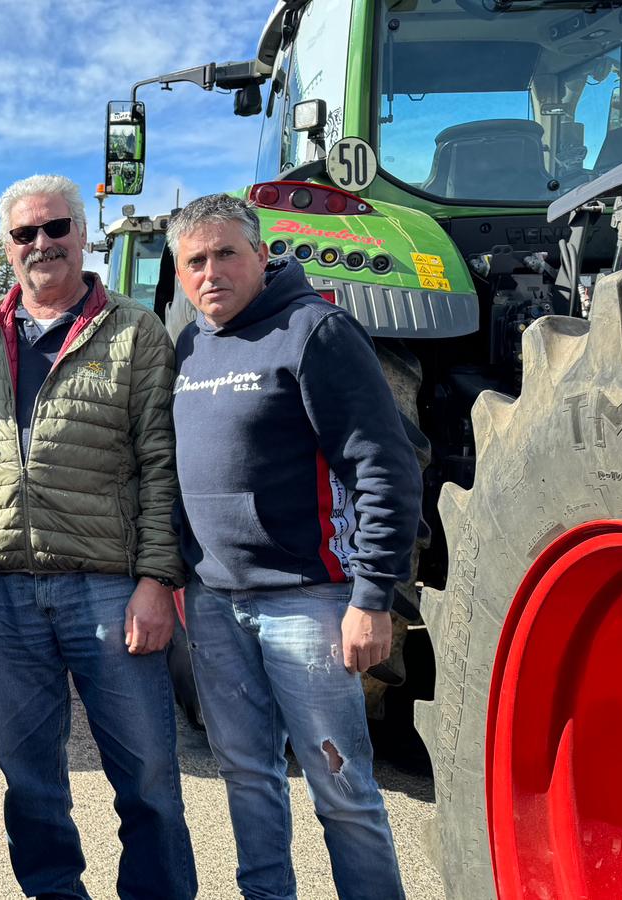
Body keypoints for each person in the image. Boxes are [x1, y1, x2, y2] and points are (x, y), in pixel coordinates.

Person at [0, 174, 196, 900]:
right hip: (4, 589)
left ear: (83, 236)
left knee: (147, 773)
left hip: (108, 585)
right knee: (29, 777)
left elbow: (161, 462)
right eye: (25, 233)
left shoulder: (134, 331)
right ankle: (54, 891)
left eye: (56, 228)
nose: (42, 244)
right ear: (7, 247)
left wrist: (157, 580)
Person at [167, 192, 419, 900]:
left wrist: (373, 597)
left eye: (226, 253)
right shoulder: (190, 346)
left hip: (308, 602)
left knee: (341, 787)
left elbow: (382, 466)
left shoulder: (315, 331)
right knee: (247, 776)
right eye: (195, 261)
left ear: (261, 253)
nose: (211, 272)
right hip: (215, 602)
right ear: (181, 274)